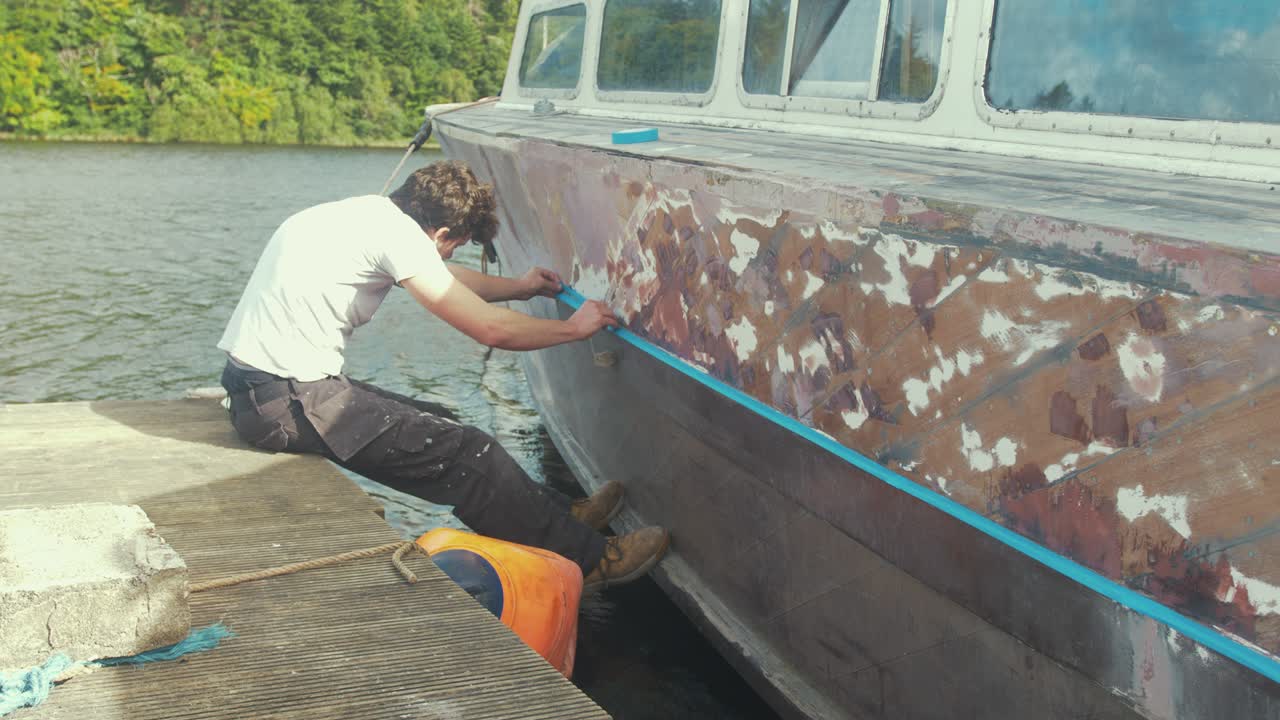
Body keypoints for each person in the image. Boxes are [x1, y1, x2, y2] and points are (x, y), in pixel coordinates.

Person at [216, 160, 669, 592]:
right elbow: (488, 329)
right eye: (456, 244)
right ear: (443, 232)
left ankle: (564, 516)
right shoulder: (395, 235)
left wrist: (521, 287)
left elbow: (442, 275)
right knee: (470, 453)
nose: (452, 253)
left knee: (442, 420)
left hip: (266, 391)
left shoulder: (360, 216)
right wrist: (574, 328)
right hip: (288, 402)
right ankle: (592, 563)